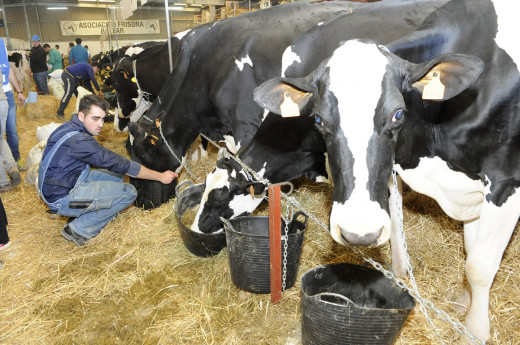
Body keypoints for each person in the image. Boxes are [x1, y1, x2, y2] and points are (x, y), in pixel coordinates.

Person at [38, 94, 178, 246]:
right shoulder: (80, 141)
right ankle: (78, 230)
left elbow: (111, 162)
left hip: (63, 180)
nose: (100, 124)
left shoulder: (68, 127)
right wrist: (160, 177)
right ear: (81, 115)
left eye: (103, 119)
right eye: (95, 118)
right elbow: (119, 164)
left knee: (116, 176)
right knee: (129, 193)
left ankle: (82, 213)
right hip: (61, 196)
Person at [1, 38, 25, 167]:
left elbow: (8, 69)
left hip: (7, 93)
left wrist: (19, 91)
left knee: (11, 130)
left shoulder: (1, 44)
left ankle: (16, 159)